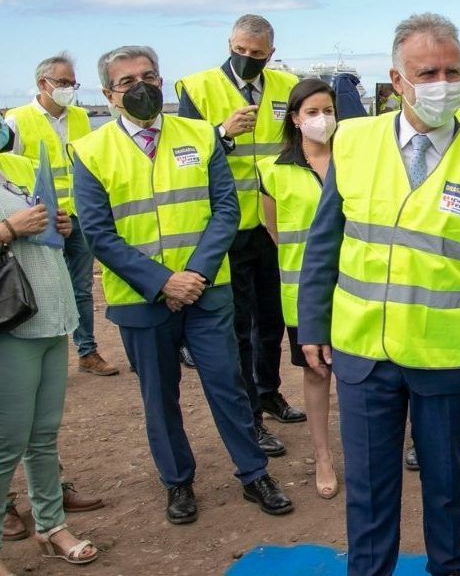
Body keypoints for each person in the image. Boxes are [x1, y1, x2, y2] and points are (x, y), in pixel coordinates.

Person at [297, 13, 460, 576]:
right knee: (369, 490)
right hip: (363, 350)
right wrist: (313, 327)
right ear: (397, 80)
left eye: (453, 71)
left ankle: (448, 569)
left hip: (446, 355)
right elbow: (325, 241)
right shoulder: (354, 140)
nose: (443, 83)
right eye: (427, 72)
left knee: (445, 488)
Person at [72, 45, 293, 525]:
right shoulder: (90, 151)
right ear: (109, 95)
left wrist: (194, 275)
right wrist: (162, 282)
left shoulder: (199, 135)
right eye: (127, 82)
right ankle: (178, 483)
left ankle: (254, 473)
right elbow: (98, 232)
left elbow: (226, 209)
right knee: (160, 395)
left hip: (206, 291)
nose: (140, 87)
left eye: (148, 76)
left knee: (228, 385)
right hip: (141, 299)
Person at [176, 14, 305, 460]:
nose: (247, 59)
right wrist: (221, 134)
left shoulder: (288, 85)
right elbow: (186, 152)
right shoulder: (196, 88)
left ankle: (270, 392)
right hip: (227, 226)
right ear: (229, 43)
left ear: (271, 52)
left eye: (257, 53)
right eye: (241, 50)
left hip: (275, 222)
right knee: (239, 327)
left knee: (273, 320)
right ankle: (250, 416)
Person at [0, 151, 100, 570]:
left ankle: (50, 525)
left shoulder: (15, 167)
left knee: (43, 436)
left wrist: (57, 227)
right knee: (7, 443)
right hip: (10, 325)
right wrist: (8, 228)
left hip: (51, 316)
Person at [3, 53, 117, 377]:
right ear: (43, 83)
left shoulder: (81, 117)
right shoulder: (18, 119)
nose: (69, 88)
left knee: (80, 286)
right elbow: (8, 174)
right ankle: (39, 349)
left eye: (72, 83)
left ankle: (87, 351)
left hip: (78, 216)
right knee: (41, 283)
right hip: (38, 221)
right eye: (63, 82)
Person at [256, 79, 340, 500]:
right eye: (311, 112)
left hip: (359, 286)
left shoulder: (355, 159)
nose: (321, 119)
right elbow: (273, 230)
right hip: (304, 293)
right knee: (316, 370)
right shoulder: (273, 171)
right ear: (295, 118)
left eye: (328, 110)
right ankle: (323, 455)